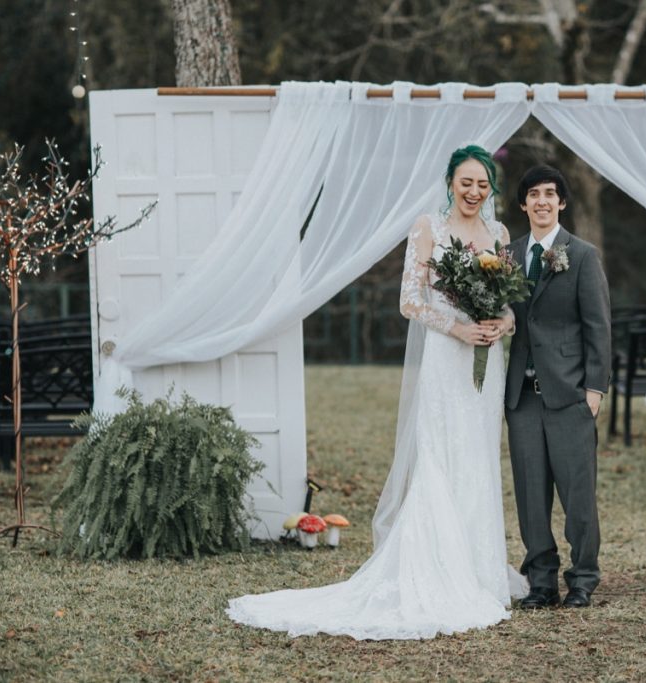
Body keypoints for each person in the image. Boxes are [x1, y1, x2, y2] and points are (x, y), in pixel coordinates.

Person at [226, 145, 528, 639]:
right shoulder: (426, 227)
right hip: (446, 358)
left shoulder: (498, 234)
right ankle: (436, 569)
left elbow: (511, 303)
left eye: (482, 184)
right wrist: (457, 330)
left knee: (477, 457)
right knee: (440, 455)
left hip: (485, 361)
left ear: (491, 189)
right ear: (450, 182)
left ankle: (479, 569)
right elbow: (410, 301)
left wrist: (501, 324)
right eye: (465, 182)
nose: (474, 192)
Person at [504, 165, 612, 609]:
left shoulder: (582, 255)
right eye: (534, 194)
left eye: (551, 194)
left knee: (577, 494)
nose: (542, 201)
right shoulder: (506, 255)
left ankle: (582, 578)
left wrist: (595, 390)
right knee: (531, 494)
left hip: (570, 395)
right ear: (523, 204)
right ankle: (542, 581)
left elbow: (599, 327)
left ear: (562, 203)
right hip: (522, 397)